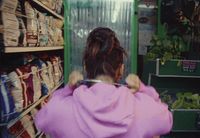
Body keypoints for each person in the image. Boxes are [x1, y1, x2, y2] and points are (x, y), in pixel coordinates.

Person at [34, 27, 173, 138]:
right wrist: (142, 88)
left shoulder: (61, 110)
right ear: (121, 69)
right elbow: (167, 119)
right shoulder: (142, 109)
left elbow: (41, 118)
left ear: (85, 67)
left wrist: (67, 89)